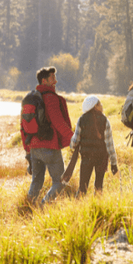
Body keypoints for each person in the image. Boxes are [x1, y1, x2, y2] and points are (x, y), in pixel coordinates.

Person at [25, 66, 74, 204]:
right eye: (52, 78)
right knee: (60, 182)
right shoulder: (50, 98)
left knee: (36, 181)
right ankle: (43, 205)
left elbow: (24, 127)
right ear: (44, 81)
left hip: (34, 147)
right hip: (50, 147)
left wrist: (27, 149)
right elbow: (58, 122)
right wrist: (74, 138)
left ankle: (28, 207)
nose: (56, 81)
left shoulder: (31, 98)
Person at [69, 95, 118, 196]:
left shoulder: (81, 120)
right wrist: (114, 162)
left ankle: (78, 207)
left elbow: (74, 142)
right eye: (99, 104)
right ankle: (97, 207)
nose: (102, 105)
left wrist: (73, 145)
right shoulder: (105, 120)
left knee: (83, 187)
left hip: (86, 157)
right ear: (95, 106)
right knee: (99, 186)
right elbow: (110, 145)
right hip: (101, 158)